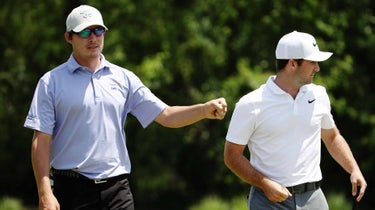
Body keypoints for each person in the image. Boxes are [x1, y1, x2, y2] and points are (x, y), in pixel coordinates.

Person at [24, 5, 227, 210]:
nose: (93, 38)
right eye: (85, 32)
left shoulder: (123, 78)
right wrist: (45, 193)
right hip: (72, 190)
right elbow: (41, 141)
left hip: (116, 189)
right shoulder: (51, 82)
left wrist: (203, 109)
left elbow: (166, 115)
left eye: (98, 31)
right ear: (69, 37)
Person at [224, 31, 367, 209]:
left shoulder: (319, 94)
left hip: (314, 198)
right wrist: (265, 184)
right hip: (268, 201)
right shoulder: (251, 104)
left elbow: (331, 137)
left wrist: (353, 168)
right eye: (312, 62)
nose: (318, 68)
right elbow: (231, 155)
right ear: (292, 63)